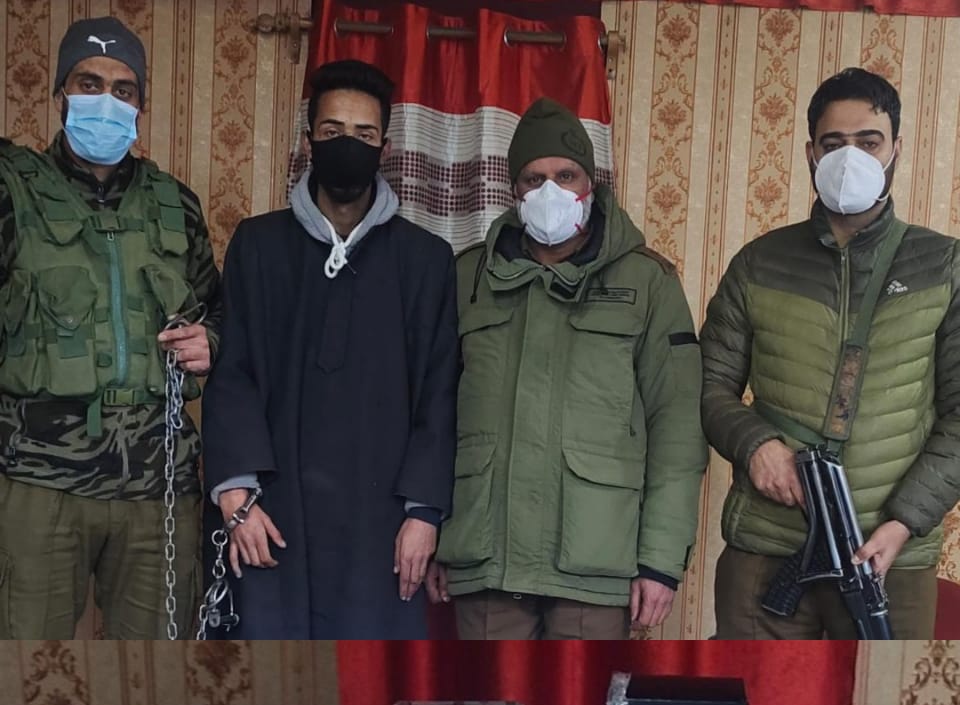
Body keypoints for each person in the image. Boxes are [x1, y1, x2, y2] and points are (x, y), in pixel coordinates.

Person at [425, 98, 708, 640]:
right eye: (534, 179)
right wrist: (437, 532)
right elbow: (435, 415)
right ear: (514, 189)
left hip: (596, 565)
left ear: (590, 183)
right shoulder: (468, 277)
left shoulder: (648, 282)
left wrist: (660, 562)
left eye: (565, 176)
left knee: (583, 695)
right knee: (490, 691)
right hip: (485, 559)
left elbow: (678, 428)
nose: (549, 191)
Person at [201, 60, 458, 639]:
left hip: (383, 522)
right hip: (272, 514)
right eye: (333, 131)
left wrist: (423, 514)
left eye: (364, 135)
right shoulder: (258, 246)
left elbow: (440, 394)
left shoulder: (425, 261)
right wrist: (237, 497)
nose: (348, 145)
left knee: (374, 668)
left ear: (385, 148)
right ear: (308, 141)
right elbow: (233, 372)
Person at [700, 67, 960, 639]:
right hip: (767, 545)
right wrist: (755, 444)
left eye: (869, 142)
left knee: (878, 694)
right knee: (753, 688)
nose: (850, 158)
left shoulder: (944, 266)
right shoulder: (759, 262)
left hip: (889, 557)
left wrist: (904, 522)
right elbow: (708, 385)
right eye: (833, 143)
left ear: (896, 150)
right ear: (810, 153)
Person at [0, 17, 221, 639]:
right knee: (24, 662)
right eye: (88, 83)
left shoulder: (176, 203)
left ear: (141, 105)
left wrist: (211, 342)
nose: (106, 101)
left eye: (123, 90)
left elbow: (218, 310)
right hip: (38, 480)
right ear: (60, 95)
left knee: (160, 665)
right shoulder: (11, 190)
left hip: (159, 484)